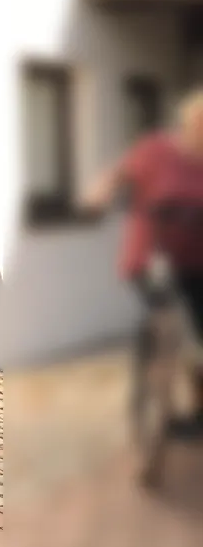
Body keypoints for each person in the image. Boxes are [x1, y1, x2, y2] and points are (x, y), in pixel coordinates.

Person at [84, 87, 203, 399]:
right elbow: (116, 175)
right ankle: (160, 377)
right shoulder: (155, 151)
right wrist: (99, 195)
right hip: (152, 256)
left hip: (197, 260)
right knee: (174, 314)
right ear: (188, 123)